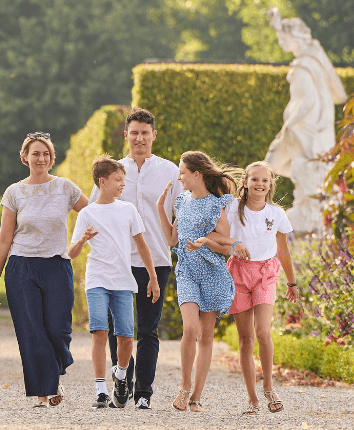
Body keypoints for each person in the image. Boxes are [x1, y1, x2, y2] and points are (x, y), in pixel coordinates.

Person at [88, 108, 182, 410]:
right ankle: (122, 382)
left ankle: (143, 392)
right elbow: (94, 211)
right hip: (118, 263)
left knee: (148, 330)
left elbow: (184, 208)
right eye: (134, 132)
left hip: (157, 261)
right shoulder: (113, 170)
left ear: (154, 135)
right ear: (126, 135)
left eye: (145, 132)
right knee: (120, 329)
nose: (139, 137)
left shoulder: (169, 170)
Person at [0, 132, 89, 408]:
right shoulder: (14, 192)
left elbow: (91, 213)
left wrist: (83, 238)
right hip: (22, 268)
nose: (41, 158)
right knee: (32, 330)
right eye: (35, 153)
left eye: (45, 153)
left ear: (51, 158)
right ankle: (44, 393)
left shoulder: (65, 188)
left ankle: (54, 371)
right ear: (25, 157)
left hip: (57, 265)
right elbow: (4, 239)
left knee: (57, 329)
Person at [68, 155, 161, 409]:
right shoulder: (87, 213)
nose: (123, 184)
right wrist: (82, 239)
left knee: (125, 338)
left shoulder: (128, 210)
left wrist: (152, 277)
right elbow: (72, 253)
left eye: (124, 180)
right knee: (99, 332)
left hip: (123, 281)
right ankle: (100, 390)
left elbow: (141, 245)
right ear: (102, 181)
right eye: (118, 180)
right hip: (97, 279)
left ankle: (120, 375)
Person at [211, 161, 298, 415]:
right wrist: (233, 243)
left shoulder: (276, 213)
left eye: (264, 180)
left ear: (271, 184)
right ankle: (252, 399)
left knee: (262, 331)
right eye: (254, 179)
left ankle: (269, 387)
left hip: (265, 273)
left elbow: (283, 250)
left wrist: (292, 282)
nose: (259, 184)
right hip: (238, 272)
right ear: (245, 183)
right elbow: (216, 237)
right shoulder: (231, 208)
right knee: (246, 338)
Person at [156, 151, 238, 412]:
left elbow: (226, 247)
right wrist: (160, 208)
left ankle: (196, 398)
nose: (179, 176)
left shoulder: (216, 204)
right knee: (190, 329)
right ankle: (184, 386)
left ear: (196, 174)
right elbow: (171, 239)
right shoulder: (181, 201)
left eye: (182, 172)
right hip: (187, 272)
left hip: (212, 272)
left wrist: (206, 241)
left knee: (206, 337)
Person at [264, 7, 347, 232]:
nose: (280, 43)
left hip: (303, 130)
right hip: (310, 130)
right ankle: (308, 192)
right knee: (283, 165)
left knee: (271, 164)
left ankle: (307, 194)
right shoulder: (313, 62)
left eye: (282, 38)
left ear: (293, 38)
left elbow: (308, 100)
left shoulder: (302, 66)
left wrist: (288, 125)